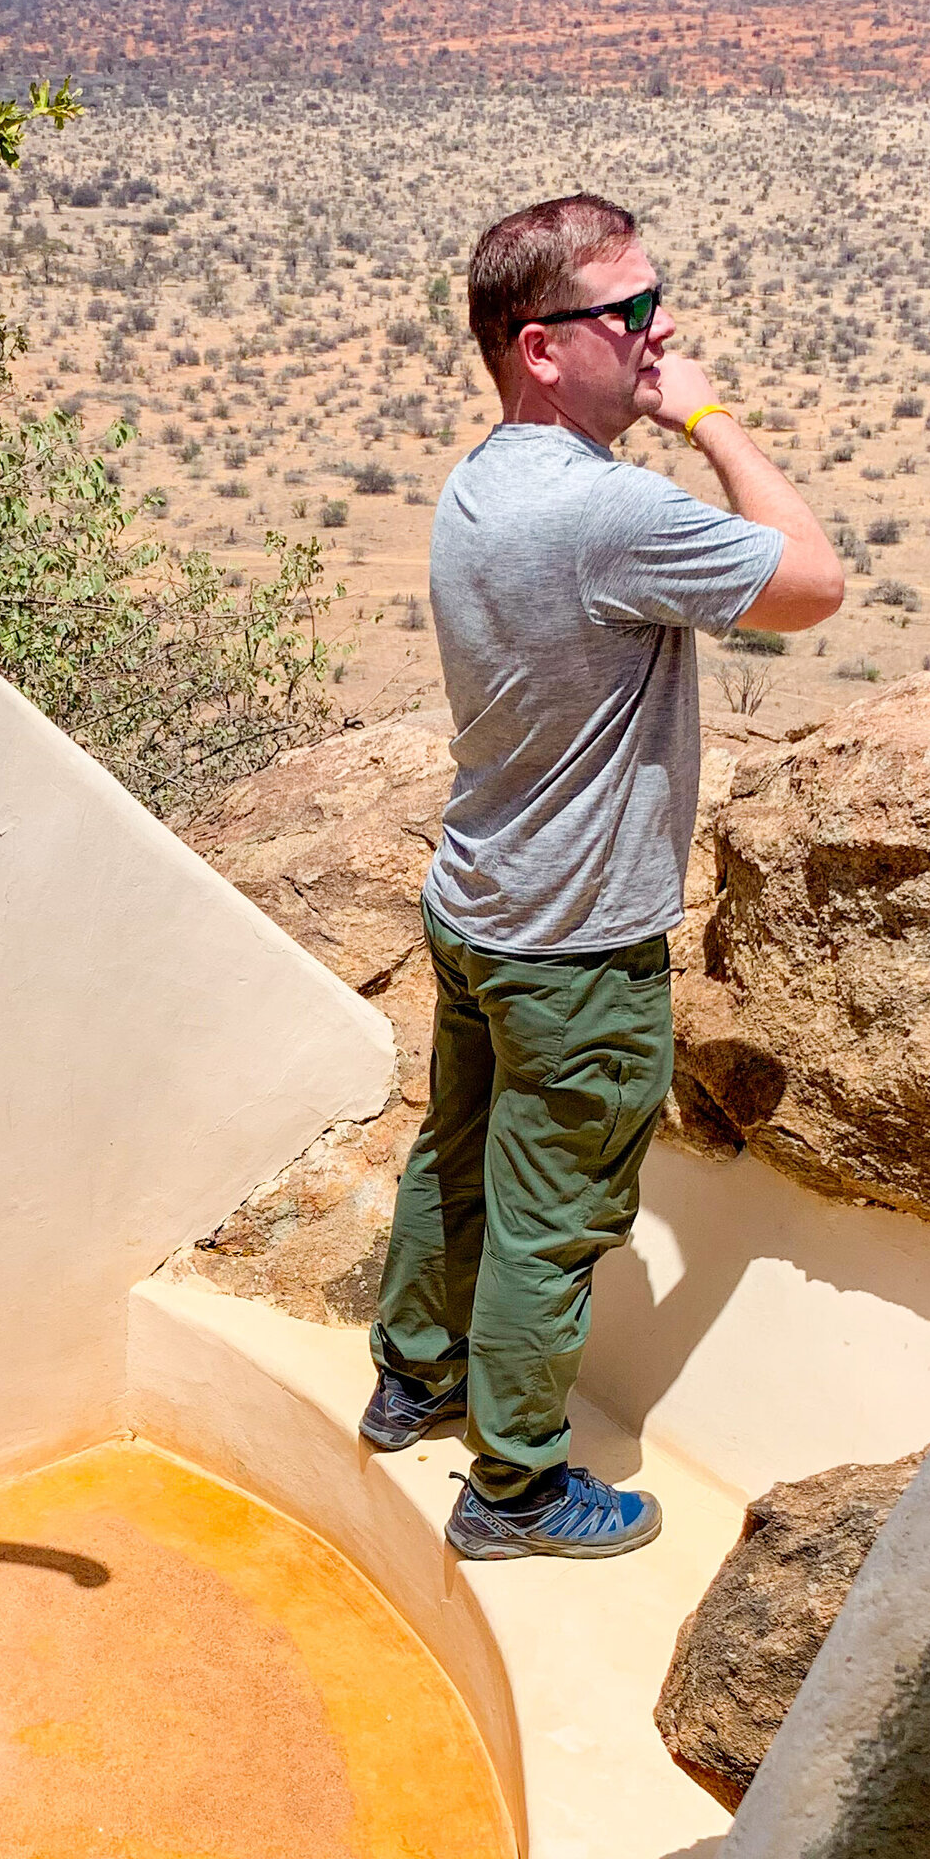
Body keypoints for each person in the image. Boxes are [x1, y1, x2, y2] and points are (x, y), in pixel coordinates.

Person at [360, 191, 842, 1557]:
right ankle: (514, 1487)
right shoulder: (602, 515)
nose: (658, 328)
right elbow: (815, 583)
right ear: (539, 347)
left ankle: (415, 1375)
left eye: (657, 303)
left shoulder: (483, 481)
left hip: (478, 903)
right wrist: (706, 415)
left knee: (456, 1153)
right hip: (575, 944)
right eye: (626, 313)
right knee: (554, 1221)